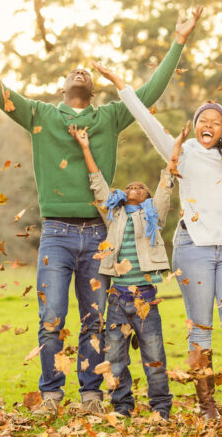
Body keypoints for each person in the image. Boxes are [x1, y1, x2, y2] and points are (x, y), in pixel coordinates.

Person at [0, 7, 201, 416]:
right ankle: (50, 395)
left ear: (93, 89)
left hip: (100, 236)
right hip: (56, 234)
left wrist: (179, 40)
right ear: (63, 86)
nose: (80, 72)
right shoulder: (40, 115)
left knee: (92, 320)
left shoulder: (110, 117)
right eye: (73, 71)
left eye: (85, 72)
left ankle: (91, 396)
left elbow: (148, 93)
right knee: (51, 318)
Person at [94, 53, 222, 420]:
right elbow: (147, 121)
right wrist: (120, 85)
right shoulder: (182, 154)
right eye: (202, 120)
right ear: (195, 127)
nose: (208, 125)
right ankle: (207, 407)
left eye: (216, 121)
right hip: (192, 249)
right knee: (201, 330)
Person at [71, 119, 185, 420]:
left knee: (155, 357)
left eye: (140, 187)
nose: (133, 188)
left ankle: (161, 408)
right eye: (130, 186)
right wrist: (85, 147)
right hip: (118, 301)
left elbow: (164, 186)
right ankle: (122, 407)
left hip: (145, 300)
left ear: (147, 197)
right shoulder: (115, 215)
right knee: (115, 358)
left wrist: (175, 151)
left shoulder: (153, 217)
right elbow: (97, 182)